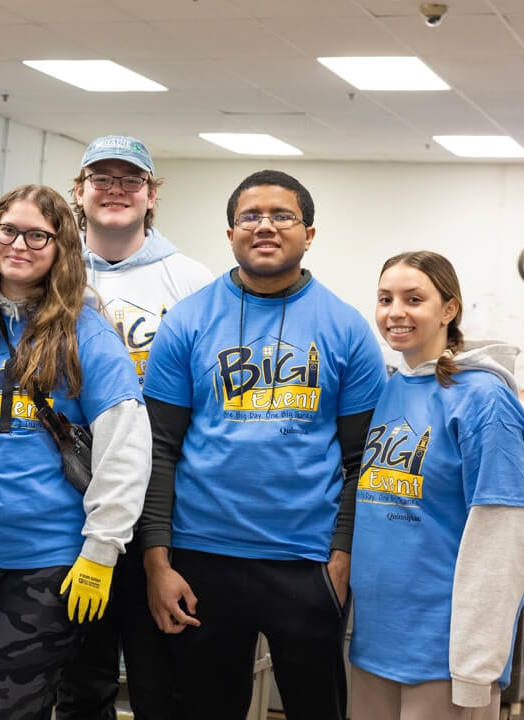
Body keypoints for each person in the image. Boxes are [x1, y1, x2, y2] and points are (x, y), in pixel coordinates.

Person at [140, 169, 387, 719]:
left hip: (307, 563)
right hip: (201, 559)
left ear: (309, 233)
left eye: (283, 216)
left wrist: (341, 563)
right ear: (230, 233)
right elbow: (158, 450)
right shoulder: (187, 321)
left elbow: (362, 461)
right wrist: (157, 564)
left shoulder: (346, 329)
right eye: (250, 216)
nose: (266, 226)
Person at [0, 184, 151, 720]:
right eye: (9, 230)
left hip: (48, 561)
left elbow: (126, 449)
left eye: (38, 235)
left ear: (62, 248)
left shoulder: (87, 336)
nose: (20, 245)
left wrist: (102, 551)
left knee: (11, 710)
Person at [59, 137, 213, 720]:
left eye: (131, 179)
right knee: (81, 681)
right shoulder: (53, 270)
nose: (116, 189)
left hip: (162, 506)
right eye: (102, 178)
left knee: (160, 679)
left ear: (151, 195)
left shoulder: (190, 279)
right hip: (71, 503)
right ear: (79, 192)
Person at [349, 251, 524, 719]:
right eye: (384, 298)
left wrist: (476, 668)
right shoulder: (392, 387)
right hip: (374, 642)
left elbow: (502, 538)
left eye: (414, 299)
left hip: (445, 653)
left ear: (449, 310)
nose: (396, 312)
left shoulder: (484, 400)